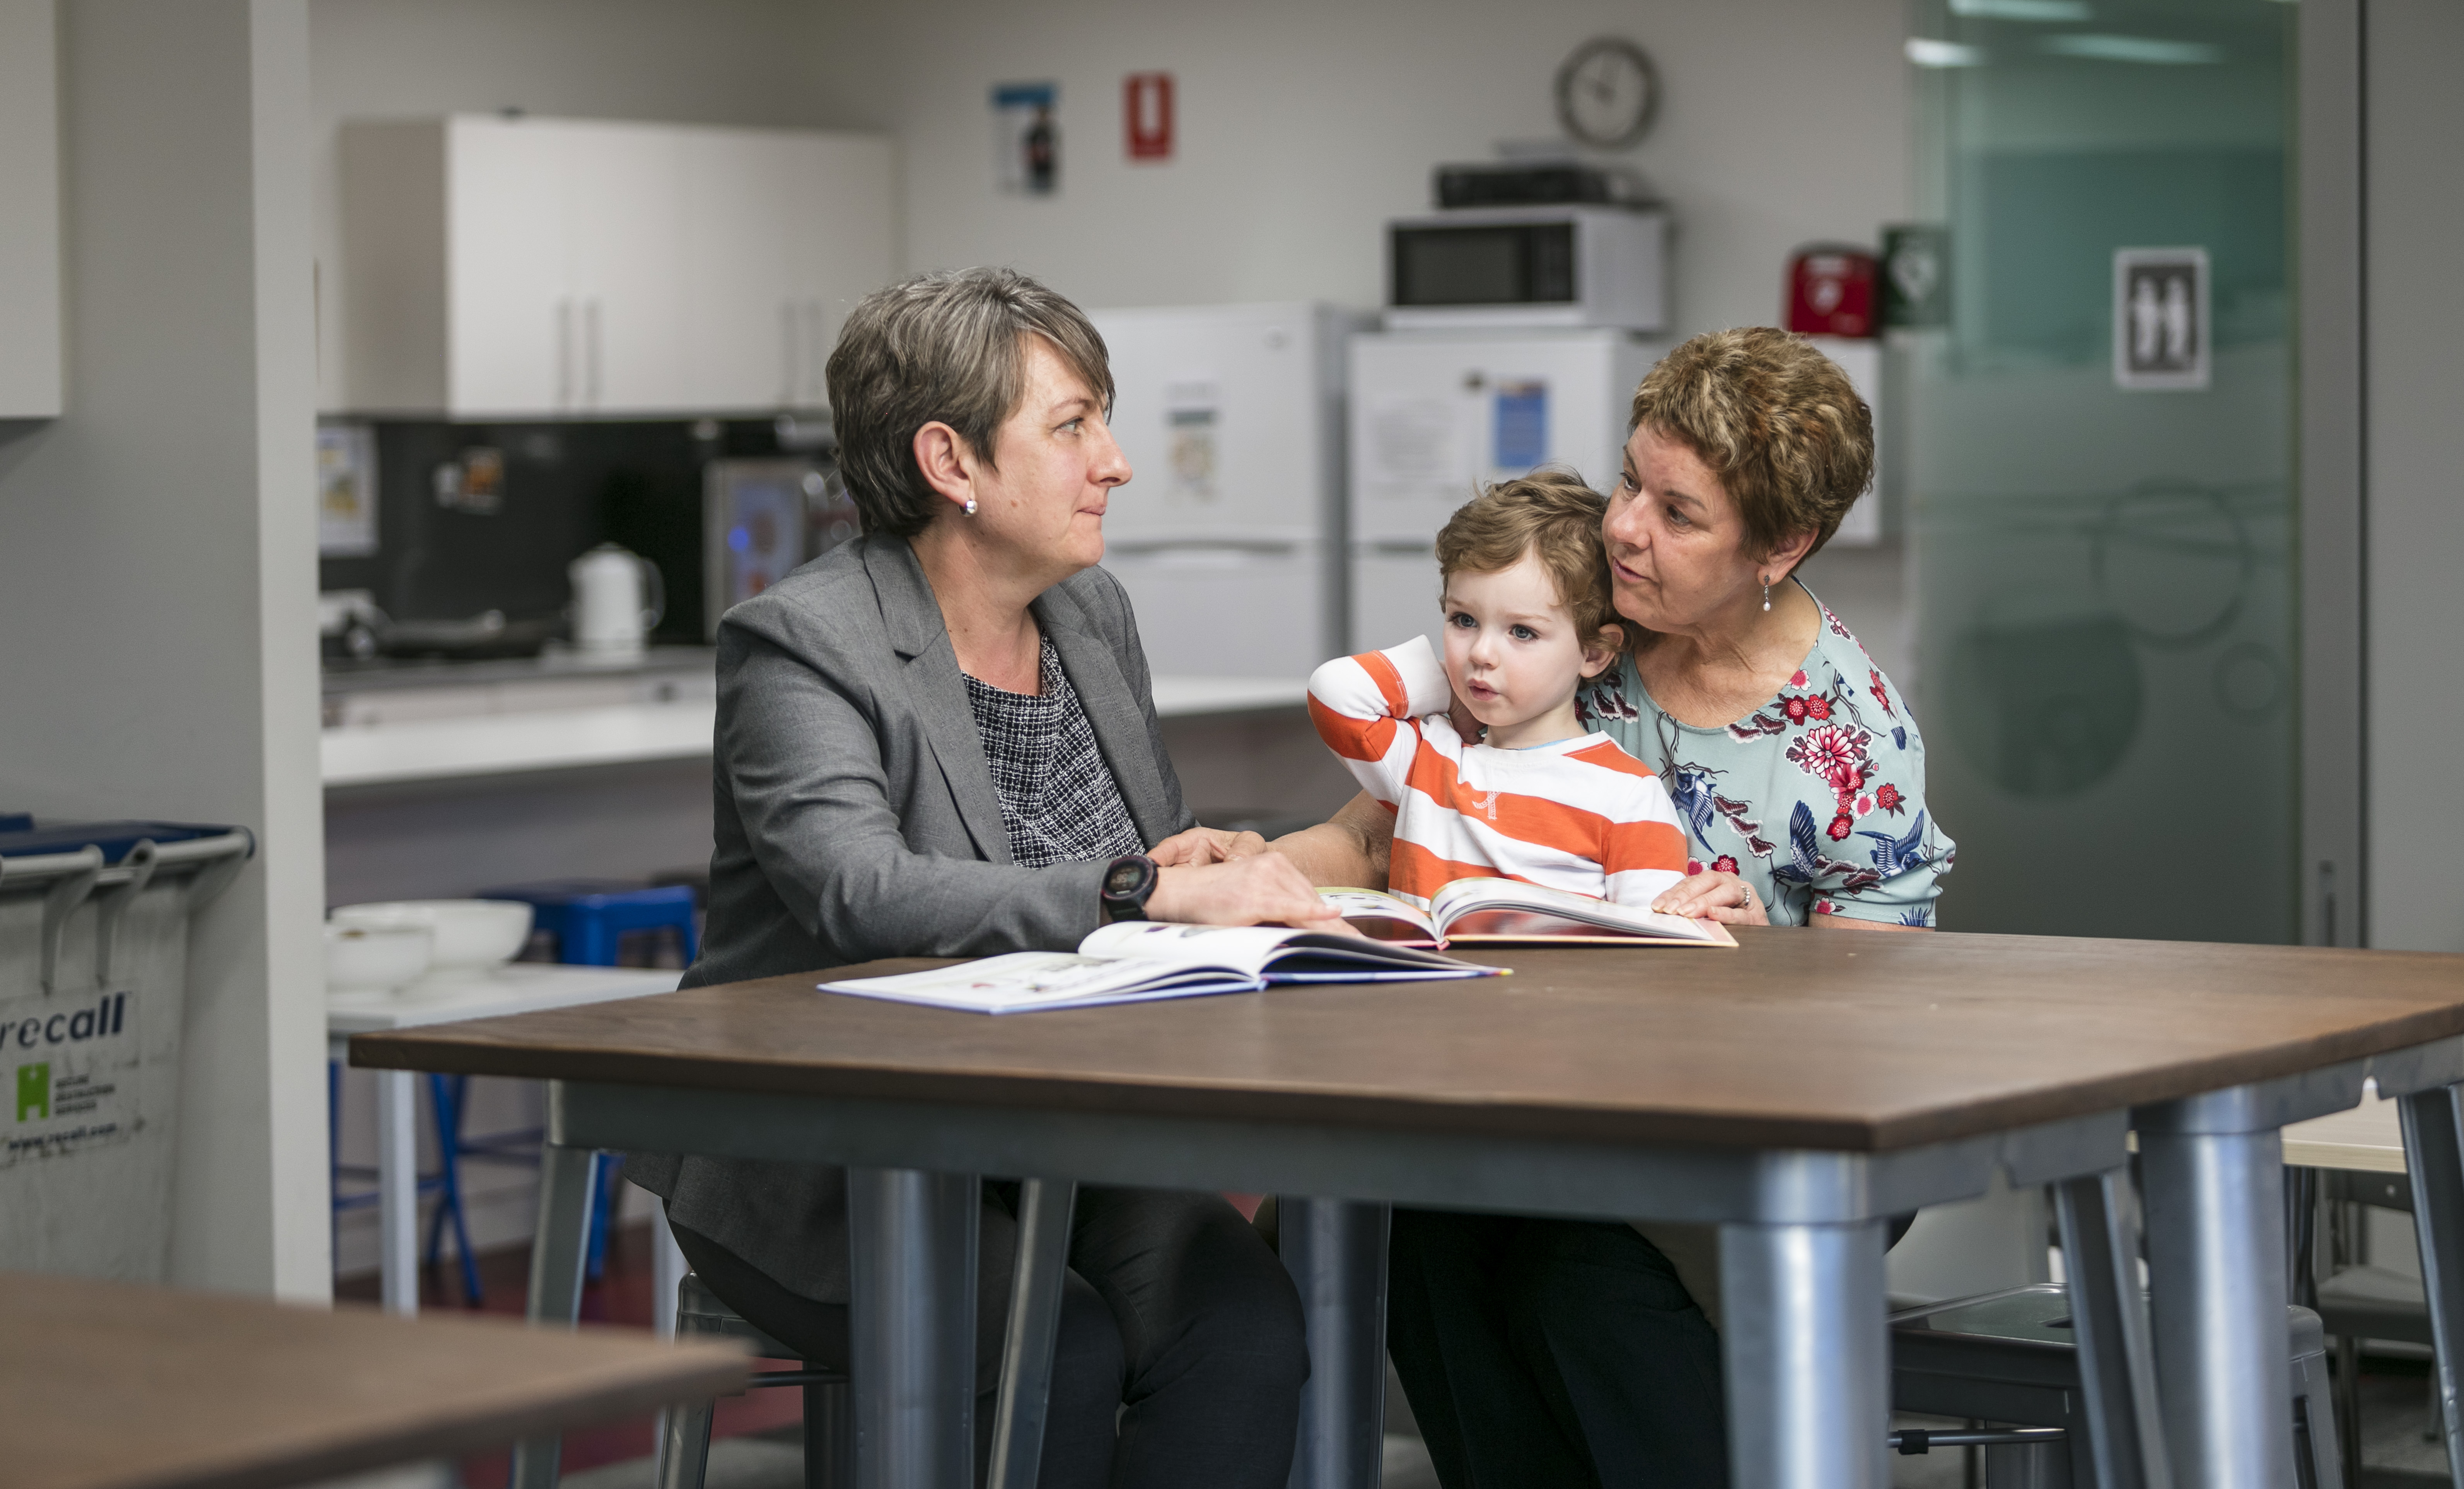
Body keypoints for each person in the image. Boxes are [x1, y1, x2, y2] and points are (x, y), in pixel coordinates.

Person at [626, 267, 1334, 1489]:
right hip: (835, 1162)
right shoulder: (803, 639)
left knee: (1246, 1324)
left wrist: (1196, 858)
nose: (1116, 463)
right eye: (1073, 426)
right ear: (950, 460)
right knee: (1055, 1345)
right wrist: (1134, 889)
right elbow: (860, 889)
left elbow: (1142, 851)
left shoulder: (1090, 613)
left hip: (1064, 1139)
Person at [1271, 327, 1956, 1487]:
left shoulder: (1852, 745)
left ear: (1779, 546)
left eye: (1677, 513)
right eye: (1632, 479)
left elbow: (1870, 1034)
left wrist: (1755, 966)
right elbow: (1373, 827)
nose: (1626, 526)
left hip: (1749, 1121)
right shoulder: (1578, 610)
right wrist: (1256, 868)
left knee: (1574, 1277)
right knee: (1413, 1231)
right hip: (1526, 1087)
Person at [1305, 471, 1688, 910]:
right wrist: (1452, 694)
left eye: (1522, 631)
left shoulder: (1628, 793)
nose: (1481, 653)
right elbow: (1336, 692)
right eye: (1464, 620)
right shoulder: (1429, 757)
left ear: (1595, 653)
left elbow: (1657, 936)